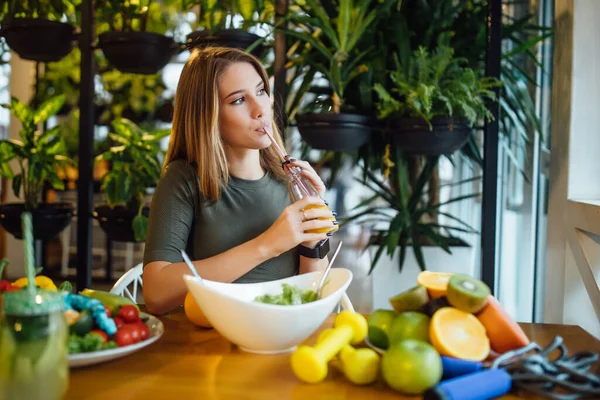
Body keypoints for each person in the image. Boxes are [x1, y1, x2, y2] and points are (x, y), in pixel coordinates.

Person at [142, 47, 337, 315]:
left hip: (281, 336)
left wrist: (314, 240)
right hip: (209, 342)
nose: (260, 109)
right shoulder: (184, 179)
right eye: (238, 100)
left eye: (260, 91)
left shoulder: (292, 183)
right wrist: (267, 244)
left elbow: (314, 301)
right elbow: (155, 293)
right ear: (206, 114)